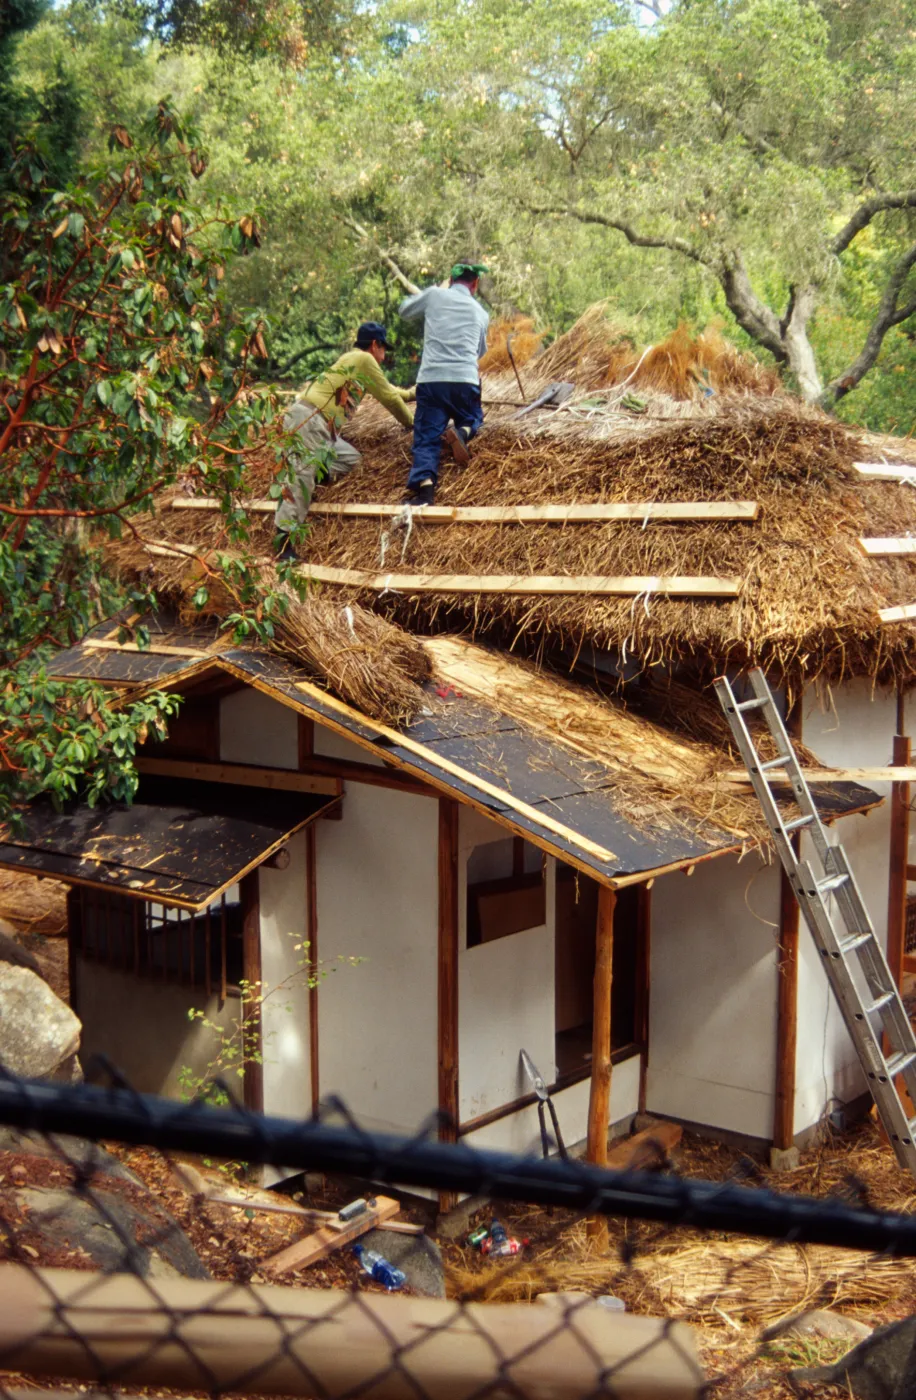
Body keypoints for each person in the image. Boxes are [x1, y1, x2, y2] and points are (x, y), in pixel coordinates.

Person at [274, 321, 415, 559]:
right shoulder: (364, 360)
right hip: (310, 419)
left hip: (322, 428)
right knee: (301, 478)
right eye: (384, 349)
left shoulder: (356, 362)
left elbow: (388, 389)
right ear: (374, 345)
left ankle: (318, 474)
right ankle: (282, 541)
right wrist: (412, 424)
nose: (383, 356)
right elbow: (390, 399)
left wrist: (412, 394)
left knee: (351, 459)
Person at [398, 260, 490, 506]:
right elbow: (479, 352)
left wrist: (435, 290)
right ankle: (462, 431)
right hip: (465, 379)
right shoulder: (481, 312)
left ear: (450, 280)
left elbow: (404, 310)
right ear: (475, 284)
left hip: (432, 379)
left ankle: (425, 492)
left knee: (427, 434)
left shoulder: (435, 295)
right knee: (473, 416)